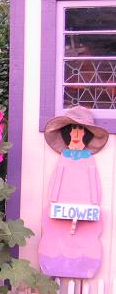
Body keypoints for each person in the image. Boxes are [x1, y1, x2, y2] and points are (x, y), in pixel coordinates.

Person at [38, 106, 109, 278]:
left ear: (86, 134)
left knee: (84, 233)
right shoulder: (64, 157)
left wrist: (94, 202)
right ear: (67, 133)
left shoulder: (88, 159)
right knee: (58, 231)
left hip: (84, 201)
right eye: (73, 130)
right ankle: (56, 258)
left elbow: (94, 180)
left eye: (80, 130)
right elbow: (57, 178)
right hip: (62, 201)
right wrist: (54, 199)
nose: (76, 134)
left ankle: (84, 259)